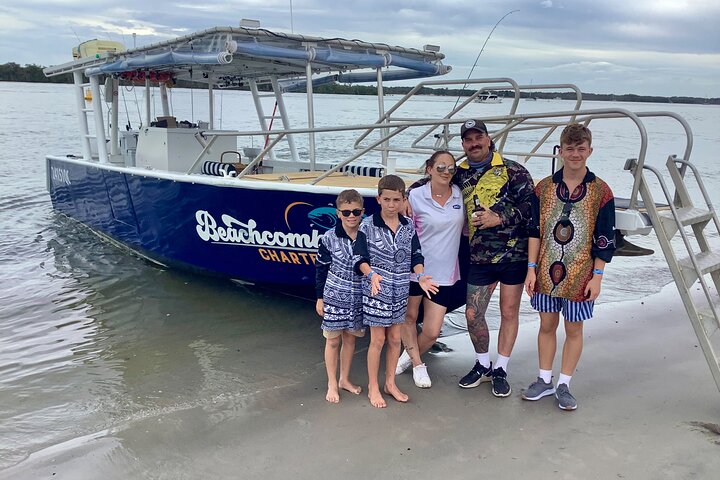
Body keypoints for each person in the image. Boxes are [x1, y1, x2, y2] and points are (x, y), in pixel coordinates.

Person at [522, 123, 615, 410]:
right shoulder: (544, 188)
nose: (575, 154)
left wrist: (597, 276)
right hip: (546, 273)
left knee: (574, 329)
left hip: (581, 273)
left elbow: (604, 238)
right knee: (546, 325)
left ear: (589, 151)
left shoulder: (601, 191)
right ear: (560, 151)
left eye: (581, 149)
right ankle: (544, 379)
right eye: (570, 149)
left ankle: (564, 383)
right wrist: (531, 268)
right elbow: (535, 231)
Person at [454, 119, 535, 398]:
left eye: (479, 137)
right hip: (480, 256)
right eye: (468, 139)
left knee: (508, 313)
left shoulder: (513, 170)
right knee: (472, 314)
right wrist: (407, 196)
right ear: (463, 144)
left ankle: (500, 368)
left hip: (514, 254)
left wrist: (498, 218)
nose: (474, 143)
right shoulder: (459, 173)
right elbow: (434, 184)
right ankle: (482, 363)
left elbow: (530, 208)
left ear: (489, 139)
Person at [354, 174, 439, 408]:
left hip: (400, 289)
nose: (391, 205)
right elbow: (359, 257)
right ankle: (373, 386)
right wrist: (370, 274)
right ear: (378, 198)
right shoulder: (367, 226)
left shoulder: (408, 225)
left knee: (394, 339)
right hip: (376, 290)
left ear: (403, 200)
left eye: (396, 200)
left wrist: (421, 275)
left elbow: (416, 254)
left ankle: (390, 383)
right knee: (378, 339)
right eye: (387, 199)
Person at [395, 151, 465, 388]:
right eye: (441, 168)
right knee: (409, 317)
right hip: (415, 269)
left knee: (432, 331)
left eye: (451, 169)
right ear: (429, 169)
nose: (446, 173)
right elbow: (402, 230)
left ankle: (406, 358)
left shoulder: (460, 195)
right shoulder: (414, 196)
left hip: (444, 273)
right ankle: (417, 365)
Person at [315, 189, 366, 403]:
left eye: (355, 211)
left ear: (362, 211)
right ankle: (331, 383)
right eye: (346, 212)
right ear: (338, 213)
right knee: (332, 341)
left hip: (358, 298)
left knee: (350, 340)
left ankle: (344, 379)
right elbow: (321, 269)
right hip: (334, 296)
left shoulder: (367, 236)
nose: (351, 216)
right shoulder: (328, 238)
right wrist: (320, 298)